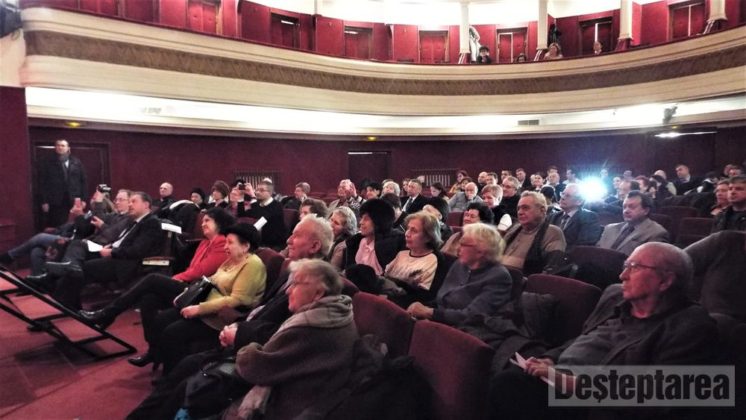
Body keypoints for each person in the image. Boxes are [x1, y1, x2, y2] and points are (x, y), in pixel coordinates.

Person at [127, 215, 335, 419]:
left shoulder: (315, 284)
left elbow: (286, 331)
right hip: (240, 329)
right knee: (181, 363)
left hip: (252, 350)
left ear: (314, 246)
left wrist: (239, 331)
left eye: (296, 235)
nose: (288, 240)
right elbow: (262, 310)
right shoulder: (292, 271)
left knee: (186, 381)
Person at [490, 242, 719, 420]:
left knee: (509, 386)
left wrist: (567, 382)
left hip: (593, 405)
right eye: (625, 266)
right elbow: (584, 338)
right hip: (558, 378)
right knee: (508, 369)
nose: (623, 275)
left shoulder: (691, 325)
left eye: (634, 267)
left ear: (665, 281)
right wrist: (551, 358)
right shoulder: (616, 299)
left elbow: (659, 395)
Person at [223, 259, 358, 420]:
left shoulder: (309, 326)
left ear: (318, 293)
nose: (288, 291)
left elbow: (254, 367)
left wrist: (244, 346)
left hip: (292, 407)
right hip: (310, 395)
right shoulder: (337, 311)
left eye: (296, 284)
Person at [78, 207, 235, 331]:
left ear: (219, 223)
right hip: (192, 285)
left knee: (153, 279)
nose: (202, 224)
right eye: (203, 220)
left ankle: (107, 313)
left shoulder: (222, 243)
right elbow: (193, 269)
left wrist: (175, 279)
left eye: (207, 221)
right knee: (149, 299)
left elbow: (200, 271)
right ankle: (153, 350)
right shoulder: (204, 243)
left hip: (204, 292)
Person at [141, 223, 266, 373]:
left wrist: (199, 309)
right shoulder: (232, 260)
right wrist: (185, 295)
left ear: (245, 246)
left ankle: (170, 377)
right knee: (161, 318)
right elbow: (208, 282)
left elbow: (238, 300)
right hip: (207, 307)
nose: (225, 246)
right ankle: (158, 356)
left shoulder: (253, 264)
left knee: (172, 332)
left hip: (222, 318)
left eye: (230, 242)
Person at [51, 192, 165, 310]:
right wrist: (110, 247)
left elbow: (137, 250)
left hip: (127, 263)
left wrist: (112, 252)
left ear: (146, 205)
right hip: (114, 254)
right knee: (76, 249)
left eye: (134, 201)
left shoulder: (151, 222)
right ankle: (66, 291)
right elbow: (121, 241)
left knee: (85, 267)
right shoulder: (135, 221)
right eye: (130, 201)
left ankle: (63, 296)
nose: (130, 204)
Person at [407, 223, 512, 326]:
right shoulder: (460, 264)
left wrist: (430, 313)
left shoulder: (499, 277)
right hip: (439, 320)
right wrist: (422, 307)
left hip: (462, 329)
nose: (457, 248)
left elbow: (473, 316)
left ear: (480, 252)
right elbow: (441, 301)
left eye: (463, 244)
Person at [1, 189, 120, 274]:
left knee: (40, 237)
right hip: (67, 238)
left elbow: (84, 230)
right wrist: (73, 215)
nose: (92, 200)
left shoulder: (101, 216)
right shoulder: (87, 213)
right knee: (36, 250)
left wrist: (79, 215)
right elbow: (69, 227)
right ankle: (36, 284)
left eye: (96, 199)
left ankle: (9, 256)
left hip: (76, 244)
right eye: (93, 198)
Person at [382, 211, 447, 306]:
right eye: (408, 229)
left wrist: (388, 299)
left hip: (405, 305)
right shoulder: (402, 252)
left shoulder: (436, 259)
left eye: (414, 231)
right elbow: (385, 276)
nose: (407, 234)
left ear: (429, 236)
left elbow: (425, 296)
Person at [502, 191, 566, 275]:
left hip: (523, 280)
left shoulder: (553, 233)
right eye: (518, 208)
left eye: (525, 208)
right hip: (497, 275)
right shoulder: (515, 228)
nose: (520, 212)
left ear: (542, 210)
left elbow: (551, 270)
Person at [596, 191, 669, 256]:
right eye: (624, 207)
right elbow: (596, 253)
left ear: (646, 211)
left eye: (632, 207)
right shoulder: (610, 228)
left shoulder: (656, 233)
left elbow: (648, 262)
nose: (626, 211)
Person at [343, 198, 405, 275]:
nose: (361, 222)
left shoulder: (389, 245)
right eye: (361, 218)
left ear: (378, 221)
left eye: (366, 219)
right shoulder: (358, 241)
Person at [38, 139, 88, 227]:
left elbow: (83, 181)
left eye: (63, 145)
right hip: (55, 200)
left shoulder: (76, 162)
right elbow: (42, 183)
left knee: (75, 222)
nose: (60, 147)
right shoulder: (47, 162)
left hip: (74, 198)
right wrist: (44, 201)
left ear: (68, 148)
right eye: (58, 145)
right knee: (58, 223)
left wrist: (84, 199)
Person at [547, 183, 603, 249]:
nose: (562, 197)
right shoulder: (554, 216)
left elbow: (584, 246)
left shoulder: (589, 218)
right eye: (563, 194)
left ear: (579, 201)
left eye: (568, 196)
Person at [236, 180, 287, 249]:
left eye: (261, 190)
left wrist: (253, 196)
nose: (257, 192)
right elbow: (241, 214)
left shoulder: (277, 206)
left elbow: (260, 218)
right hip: (261, 243)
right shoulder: (258, 205)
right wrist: (240, 197)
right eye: (257, 190)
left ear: (270, 193)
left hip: (275, 245)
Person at [328, 206, 357, 271]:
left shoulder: (343, 247)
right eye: (331, 220)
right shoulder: (328, 236)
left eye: (336, 223)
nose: (331, 224)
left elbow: (331, 271)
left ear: (346, 229)